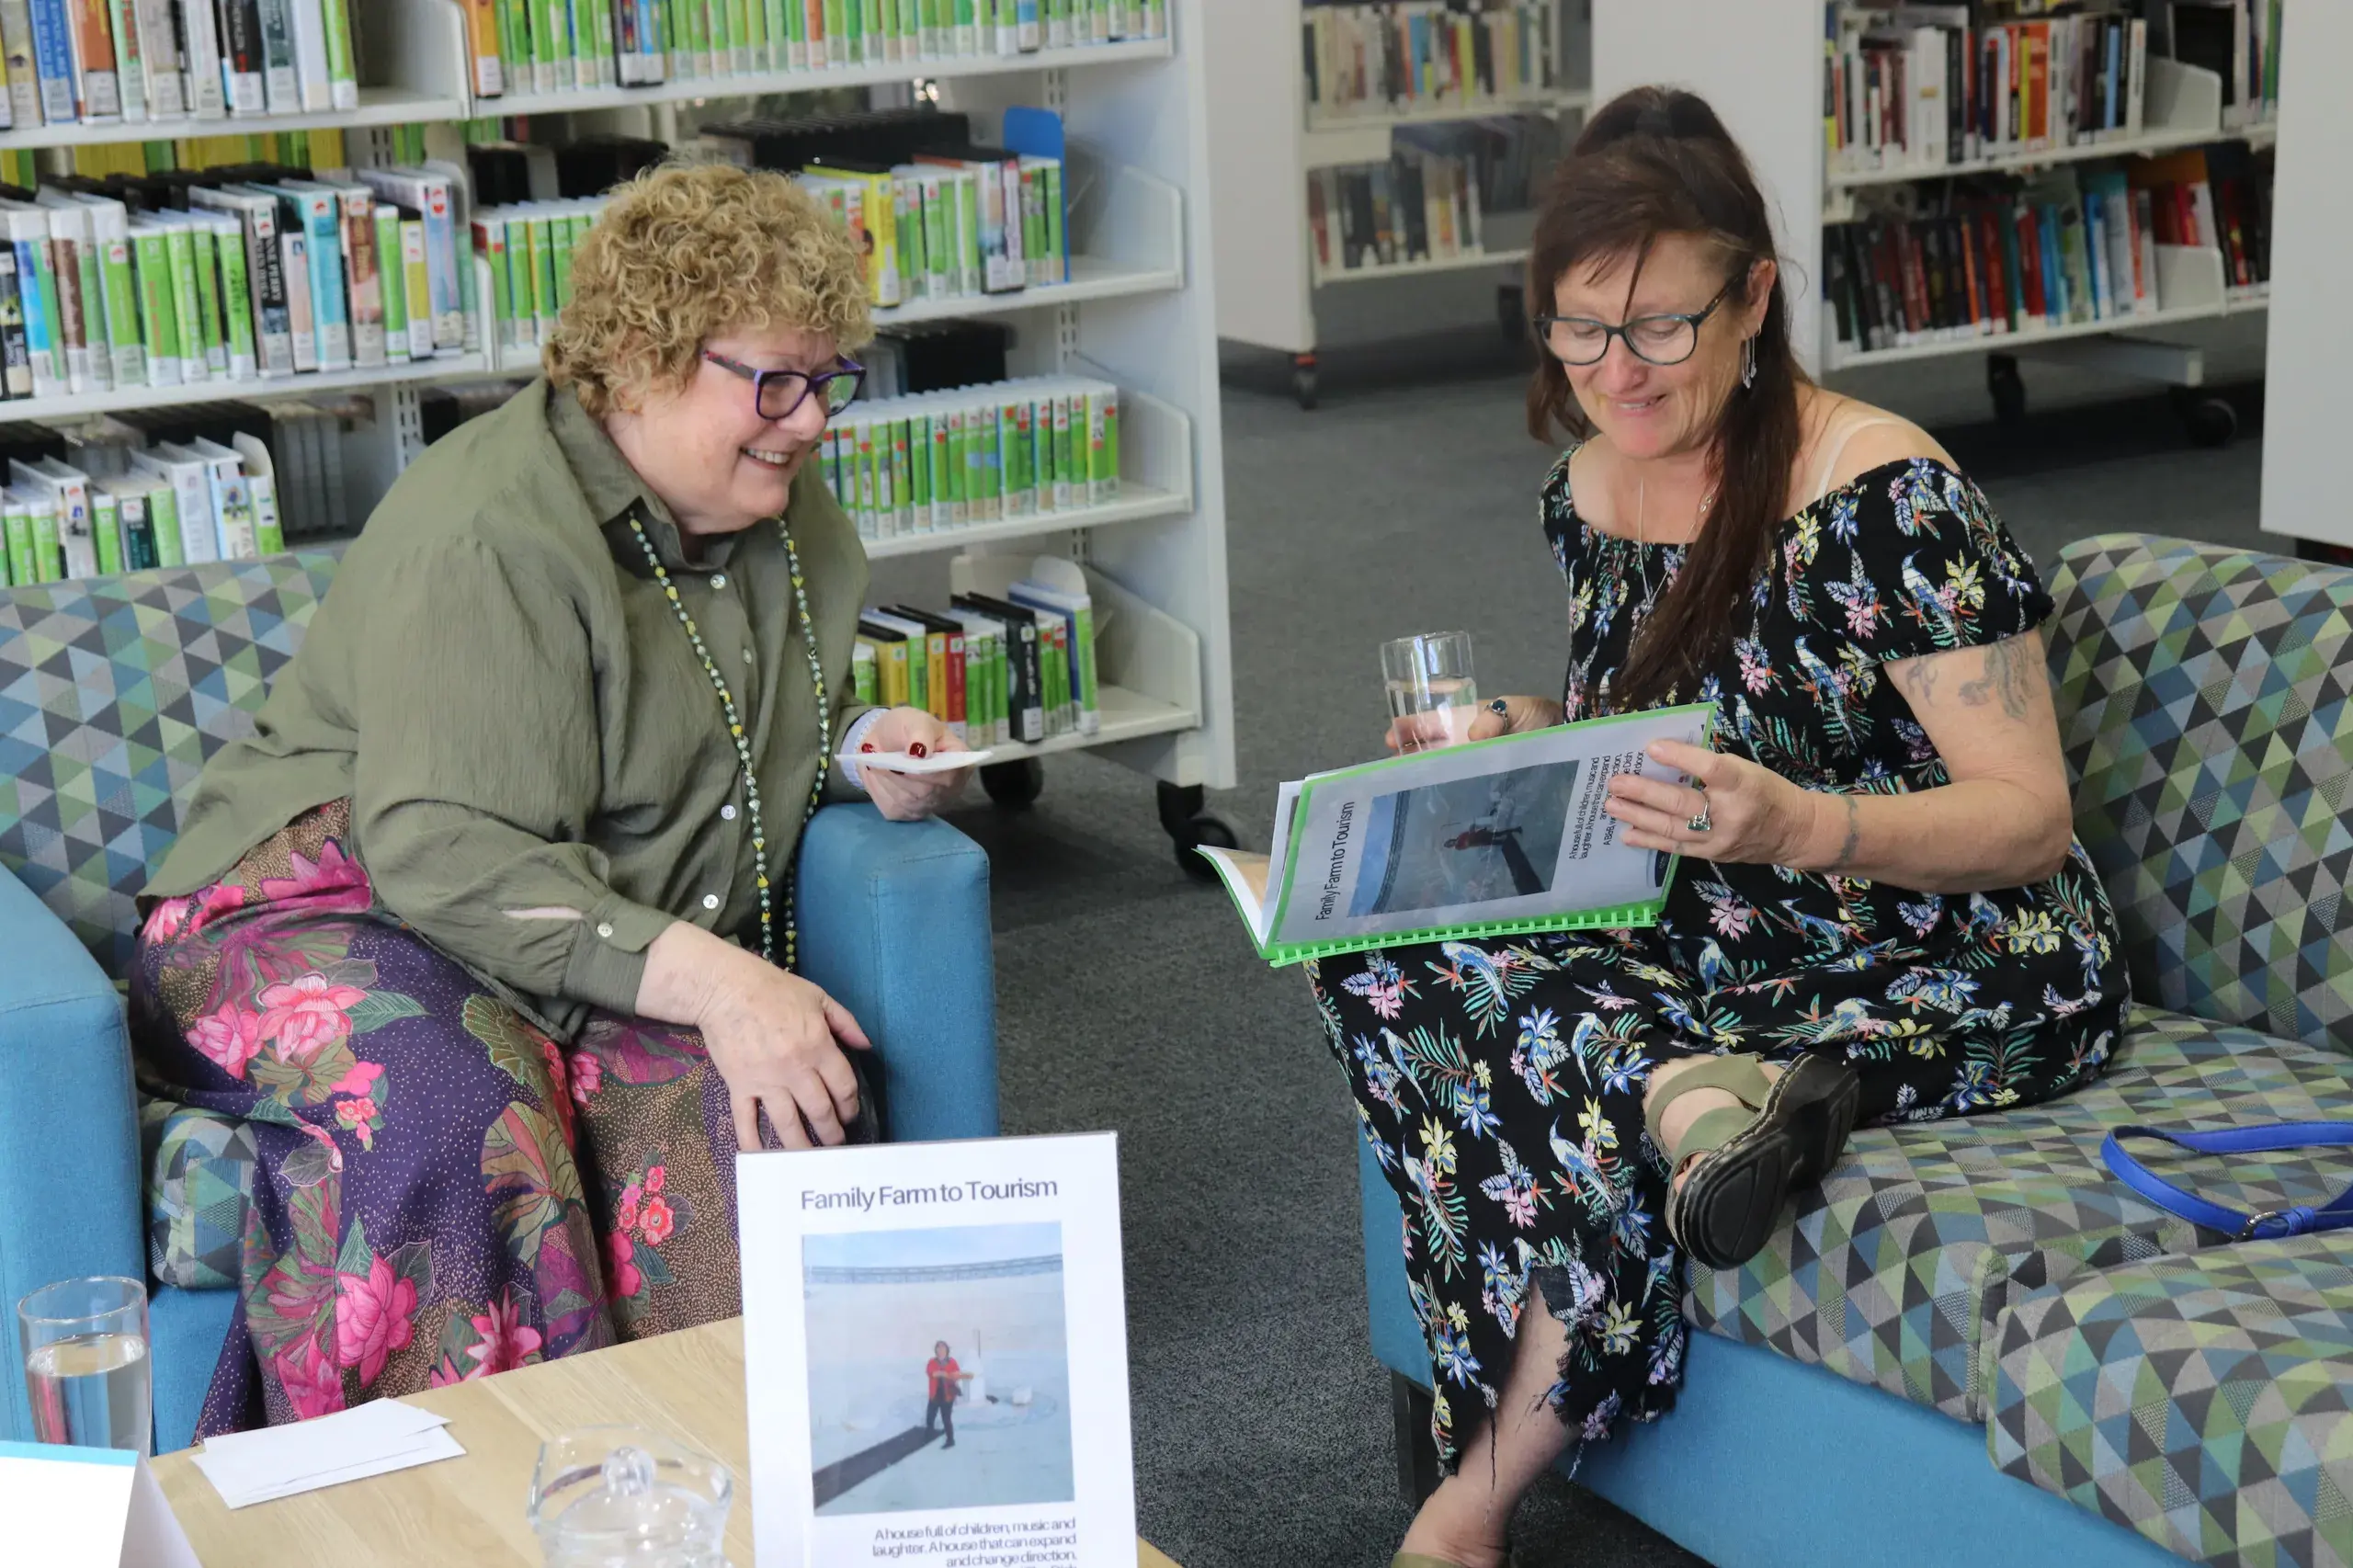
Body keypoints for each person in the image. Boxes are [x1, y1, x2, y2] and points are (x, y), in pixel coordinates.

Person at [1315, 86, 2126, 1568]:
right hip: (1713, 916)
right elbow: (1648, 728)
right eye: (1579, 331)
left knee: (1553, 1032)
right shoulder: (1588, 482)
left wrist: (1807, 823)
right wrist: (1520, 750)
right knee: (1374, 947)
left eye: (1661, 329)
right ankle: (1694, 1094)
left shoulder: (1881, 493)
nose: (1615, 373)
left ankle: (1475, 1499)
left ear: (1755, 296)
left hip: (1950, 939)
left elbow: (2026, 821)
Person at [131, 163, 975, 1437]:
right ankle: (422, 1517)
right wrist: (723, 979)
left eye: (828, 378)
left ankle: (714, 1493)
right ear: (641, 360)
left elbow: (705, 731)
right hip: (322, 894)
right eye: (774, 381)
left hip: (557, 902)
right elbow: (439, 844)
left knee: (737, 1113)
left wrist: (858, 744)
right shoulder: (489, 529)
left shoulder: (775, 511)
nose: (810, 421)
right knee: (445, 1107)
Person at [924, 1340, 972, 1447]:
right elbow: (931, 1373)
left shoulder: (952, 1362)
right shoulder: (932, 1362)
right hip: (934, 1395)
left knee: (946, 1419)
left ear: (947, 1350)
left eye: (943, 1348)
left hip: (947, 1396)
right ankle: (929, 1435)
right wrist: (945, 1374)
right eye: (938, 1348)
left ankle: (950, 1440)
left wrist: (959, 1375)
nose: (941, 1350)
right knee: (930, 1417)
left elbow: (956, 1374)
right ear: (936, 1350)